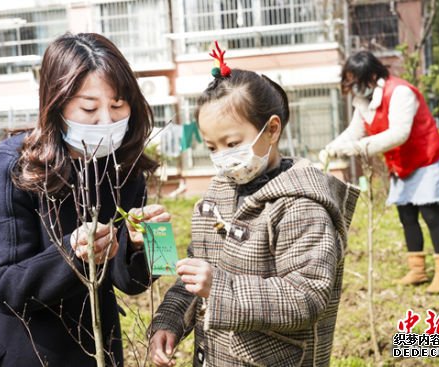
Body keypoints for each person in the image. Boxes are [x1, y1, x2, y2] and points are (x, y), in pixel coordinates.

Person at [0, 33, 170, 366]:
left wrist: (149, 245)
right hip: (6, 349)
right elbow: (1, 286)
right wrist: (75, 253)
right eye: (89, 107)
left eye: (117, 105)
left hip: (90, 346)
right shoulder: (10, 168)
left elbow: (135, 282)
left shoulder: (126, 165)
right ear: (56, 102)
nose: (106, 121)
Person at [148, 42, 360, 367]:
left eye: (232, 143)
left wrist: (219, 287)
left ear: (272, 129)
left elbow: (307, 295)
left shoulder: (300, 205)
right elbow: (197, 274)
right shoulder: (214, 199)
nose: (222, 156)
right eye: (211, 147)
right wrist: (170, 320)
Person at [325, 50, 439, 294]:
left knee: (432, 216)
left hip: (425, 159)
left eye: (356, 82)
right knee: (407, 217)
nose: (353, 88)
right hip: (401, 164)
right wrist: (334, 147)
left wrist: (356, 148)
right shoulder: (364, 101)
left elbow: (399, 133)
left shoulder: (400, 92)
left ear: (372, 76)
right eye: (349, 83)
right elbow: (355, 131)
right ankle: (417, 270)